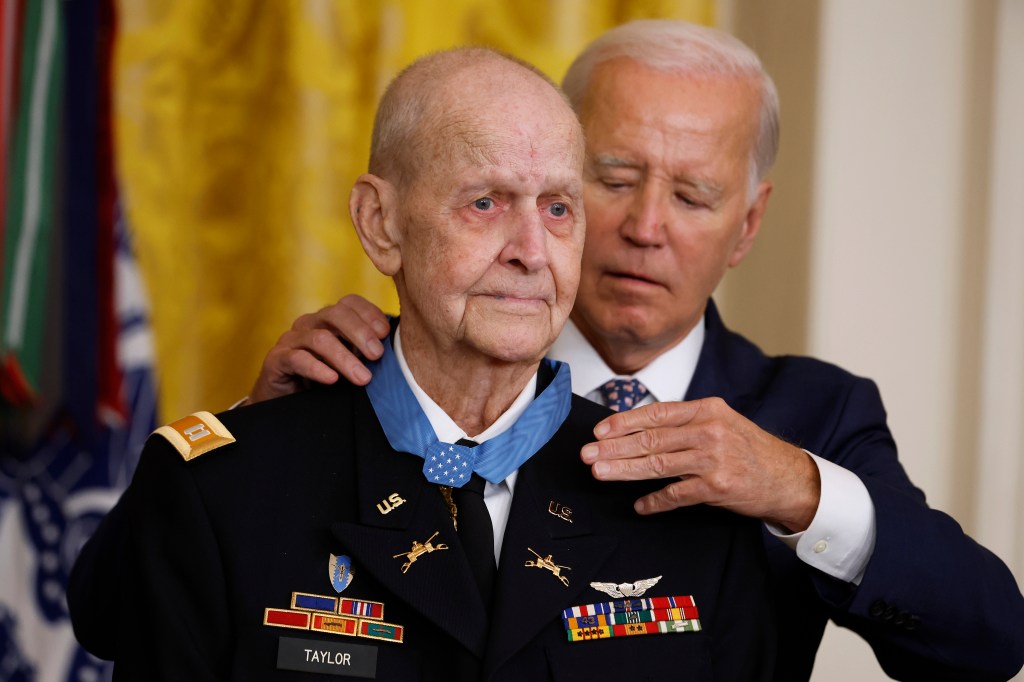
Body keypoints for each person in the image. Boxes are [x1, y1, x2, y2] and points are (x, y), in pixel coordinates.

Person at [248, 20, 1024, 682]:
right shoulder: (392, 373)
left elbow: (987, 640)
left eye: (692, 197)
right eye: (610, 180)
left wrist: (796, 489)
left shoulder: (813, 414)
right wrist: (270, 437)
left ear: (748, 224)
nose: (645, 227)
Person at [68, 47, 778, 680]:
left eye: (559, 209)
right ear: (381, 224)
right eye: (485, 202)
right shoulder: (224, 487)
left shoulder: (678, 502)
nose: (531, 249)